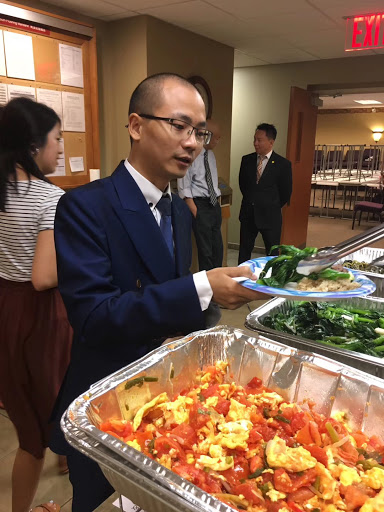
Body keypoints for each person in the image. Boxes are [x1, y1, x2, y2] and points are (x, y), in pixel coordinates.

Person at [50, 73, 266, 511]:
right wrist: (203, 286)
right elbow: (95, 316)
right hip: (108, 397)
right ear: (135, 125)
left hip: (168, 396)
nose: (192, 143)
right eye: (179, 125)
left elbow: (172, 301)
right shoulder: (85, 206)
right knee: (99, 499)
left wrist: (214, 304)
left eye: (200, 132)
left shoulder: (176, 210)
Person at [0, 98, 72, 512]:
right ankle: (66, 459)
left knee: (28, 421)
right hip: (40, 315)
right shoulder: (49, 198)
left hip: (5, 308)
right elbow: (44, 277)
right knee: (62, 403)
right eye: (56, 138)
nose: (60, 147)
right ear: (33, 145)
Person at [238, 123, 292, 263]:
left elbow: (285, 192)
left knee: (272, 254)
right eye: (254, 139)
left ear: (271, 142)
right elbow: (243, 185)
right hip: (248, 214)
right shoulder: (246, 160)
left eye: (259, 140)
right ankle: (240, 280)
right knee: (244, 251)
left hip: (270, 216)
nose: (255, 143)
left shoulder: (283, 164)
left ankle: (270, 281)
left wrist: (269, 204)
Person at [177, 119, 223, 270]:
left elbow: (213, 182)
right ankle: (209, 287)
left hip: (214, 205)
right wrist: (196, 211)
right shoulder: (191, 154)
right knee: (205, 251)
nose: (218, 140)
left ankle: (219, 281)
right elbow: (184, 186)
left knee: (217, 247)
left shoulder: (211, 155)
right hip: (200, 205)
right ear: (207, 135)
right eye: (216, 137)